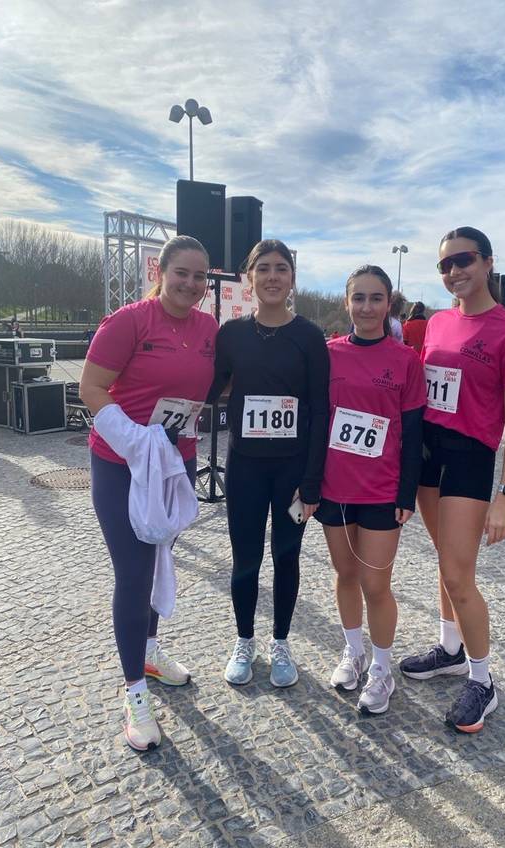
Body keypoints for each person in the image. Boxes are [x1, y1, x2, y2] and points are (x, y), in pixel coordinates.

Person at [80, 235, 218, 751]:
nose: (190, 284)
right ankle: (133, 691)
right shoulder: (129, 321)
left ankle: (150, 652)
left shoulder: (208, 328)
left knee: (161, 557)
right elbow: (91, 388)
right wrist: (135, 439)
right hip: (122, 463)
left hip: (175, 461)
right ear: (160, 271)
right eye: (181, 272)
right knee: (134, 573)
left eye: (199, 276)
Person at [399, 226, 505, 733]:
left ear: (488, 262)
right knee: (445, 561)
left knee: (459, 574)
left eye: (464, 260)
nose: (454, 271)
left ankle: (483, 680)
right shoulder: (435, 323)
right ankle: (450, 649)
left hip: (469, 459)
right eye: (445, 265)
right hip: (429, 457)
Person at [207, 239, 329, 689]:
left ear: (292, 278)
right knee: (245, 560)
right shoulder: (232, 334)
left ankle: (281, 642)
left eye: (282, 268)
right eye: (264, 269)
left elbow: (320, 411)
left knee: (286, 556)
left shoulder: (310, 337)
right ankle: (244, 640)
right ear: (250, 277)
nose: (273, 277)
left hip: (292, 470)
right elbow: (208, 388)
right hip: (246, 466)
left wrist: (312, 480)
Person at [314, 265, 426, 715]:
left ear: (388, 303)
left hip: (381, 489)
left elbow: (415, 433)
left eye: (375, 298)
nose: (366, 306)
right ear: (347, 303)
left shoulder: (405, 359)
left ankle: (382, 669)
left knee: (376, 583)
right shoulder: (328, 354)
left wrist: (407, 494)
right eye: (358, 298)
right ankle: (353, 650)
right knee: (344, 575)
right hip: (334, 486)